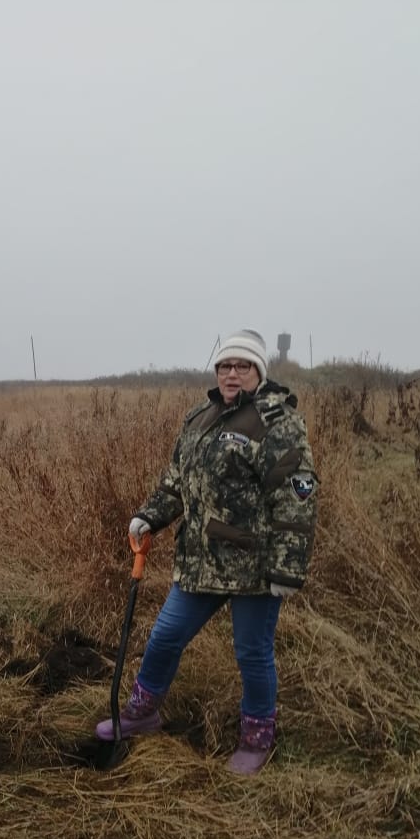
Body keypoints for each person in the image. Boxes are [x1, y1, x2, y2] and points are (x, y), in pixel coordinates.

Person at [96, 330, 318, 775]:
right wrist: (149, 516)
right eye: (224, 366)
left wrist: (286, 568)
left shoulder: (277, 422)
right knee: (165, 635)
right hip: (202, 561)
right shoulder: (201, 417)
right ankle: (143, 711)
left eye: (242, 366)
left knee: (252, 651)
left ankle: (257, 738)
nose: (232, 373)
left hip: (255, 567)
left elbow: (296, 499)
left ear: (258, 371)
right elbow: (177, 481)